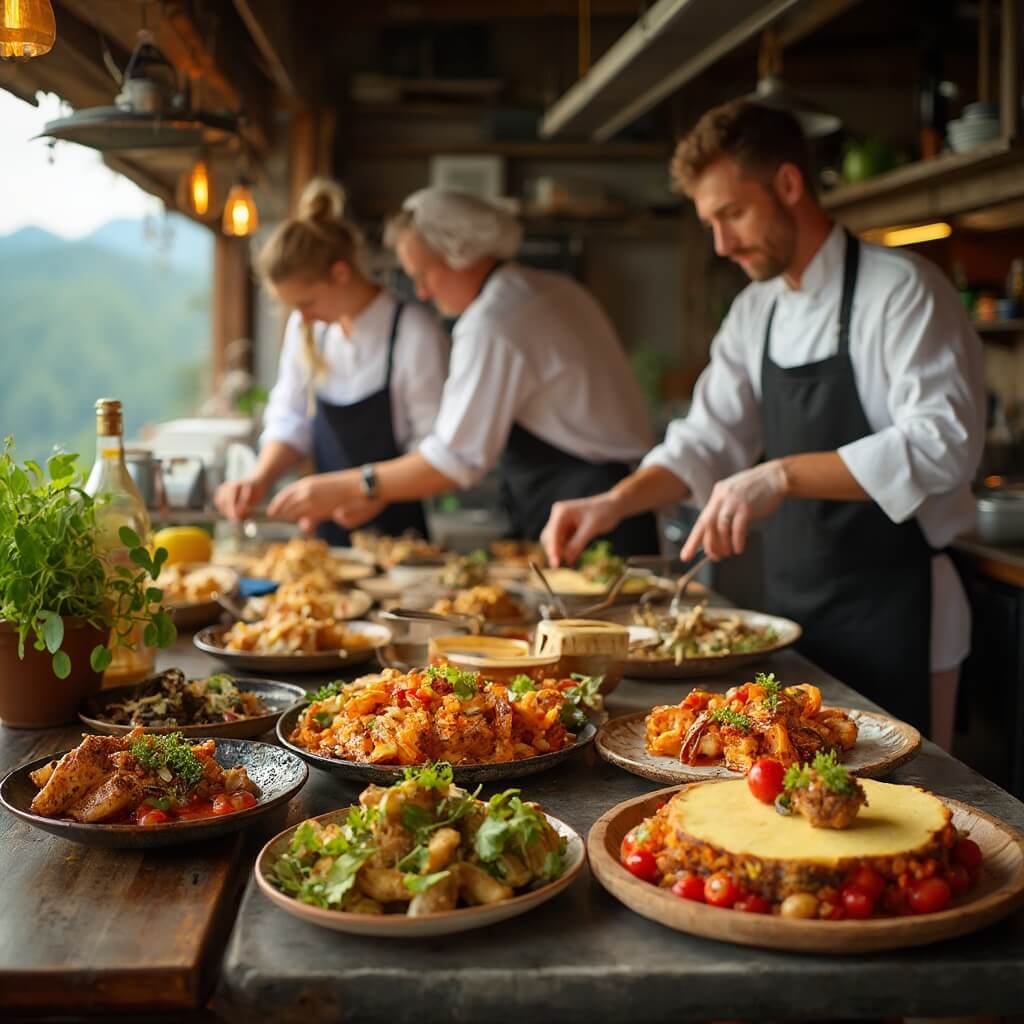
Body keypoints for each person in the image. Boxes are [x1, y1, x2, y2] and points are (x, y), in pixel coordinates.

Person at [541, 100, 984, 745]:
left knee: (910, 787)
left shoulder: (902, 291)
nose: (721, 244)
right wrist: (614, 502)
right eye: (709, 223)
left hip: (897, 610)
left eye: (733, 214)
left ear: (788, 184)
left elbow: (943, 444)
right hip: (793, 616)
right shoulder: (757, 310)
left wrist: (778, 475)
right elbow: (708, 437)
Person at [266, 187, 659, 556]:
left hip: (592, 510)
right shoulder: (550, 288)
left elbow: (455, 458)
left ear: (461, 254)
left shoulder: (495, 321)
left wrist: (353, 486)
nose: (422, 292)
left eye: (424, 275)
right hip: (602, 500)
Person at [214, 178, 449, 545]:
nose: (303, 317)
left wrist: (374, 493)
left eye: (307, 303)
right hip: (324, 535)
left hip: (400, 540)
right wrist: (259, 479)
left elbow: (433, 448)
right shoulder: (308, 327)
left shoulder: (413, 333)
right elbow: (290, 419)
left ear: (340, 274)